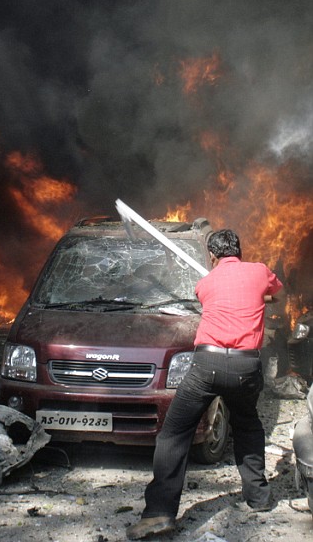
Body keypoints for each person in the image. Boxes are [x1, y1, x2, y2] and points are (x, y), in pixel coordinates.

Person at [126, 229, 283, 540]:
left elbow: (207, 299)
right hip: (246, 366)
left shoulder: (206, 283)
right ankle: (259, 498)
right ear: (240, 250)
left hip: (207, 365)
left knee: (174, 433)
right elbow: (274, 292)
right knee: (248, 425)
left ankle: (159, 513)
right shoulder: (259, 271)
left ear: (212, 256)